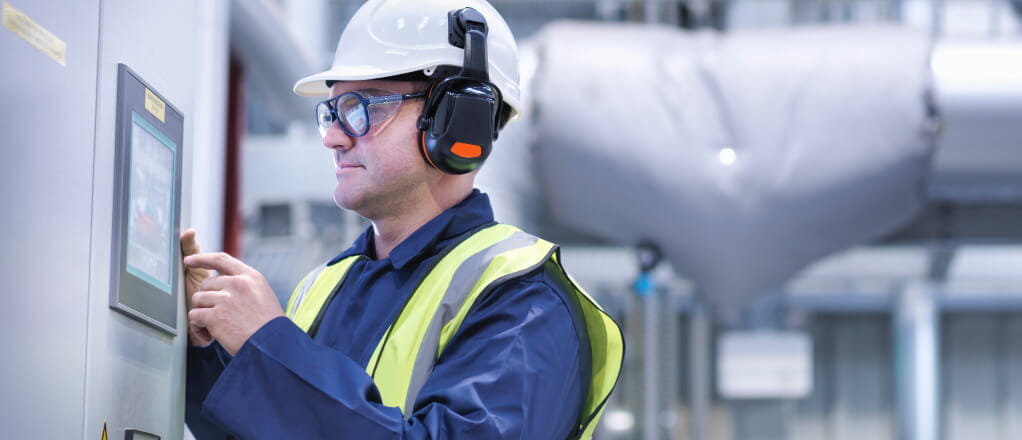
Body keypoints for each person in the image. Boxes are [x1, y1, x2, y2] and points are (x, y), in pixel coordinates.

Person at [182, 0, 623, 438]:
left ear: (458, 120)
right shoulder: (323, 287)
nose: (334, 137)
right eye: (332, 113)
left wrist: (270, 347)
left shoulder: (525, 301)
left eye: (363, 107)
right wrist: (204, 351)